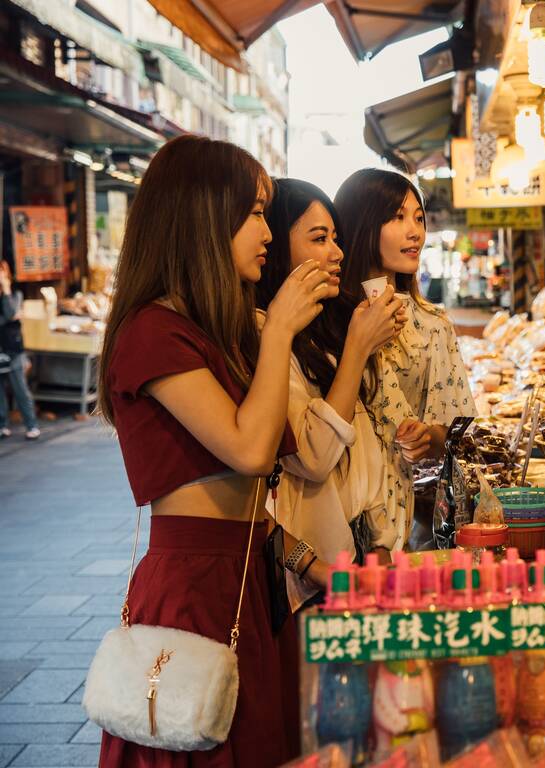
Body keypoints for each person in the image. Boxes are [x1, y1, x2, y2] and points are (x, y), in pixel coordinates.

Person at [96, 135, 331, 766]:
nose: (267, 230)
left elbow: (247, 502)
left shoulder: (210, 333)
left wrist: (314, 565)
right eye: (254, 212)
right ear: (204, 218)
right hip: (193, 587)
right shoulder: (152, 332)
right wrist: (279, 325)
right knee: (198, 739)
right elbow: (251, 453)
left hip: (246, 577)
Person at [254, 178, 407, 565]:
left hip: (360, 550)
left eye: (336, 238)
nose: (337, 252)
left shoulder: (324, 326)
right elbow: (314, 457)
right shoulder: (263, 336)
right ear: (274, 250)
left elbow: (361, 449)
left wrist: (380, 542)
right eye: (320, 239)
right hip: (312, 568)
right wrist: (358, 347)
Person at [334, 168, 477, 548]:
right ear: (361, 222)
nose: (415, 231)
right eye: (397, 217)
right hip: (328, 507)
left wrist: (427, 437)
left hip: (398, 514)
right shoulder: (322, 318)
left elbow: (455, 431)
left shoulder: (432, 324)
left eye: (418, 218)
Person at [0, 260, 39, 439]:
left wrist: (6, 288)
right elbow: (10, 317)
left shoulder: (15, 294)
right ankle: (2, 425)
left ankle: (31, 425)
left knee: (20, 388)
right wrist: (11, 318)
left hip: (13, 349)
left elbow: (9, 313)